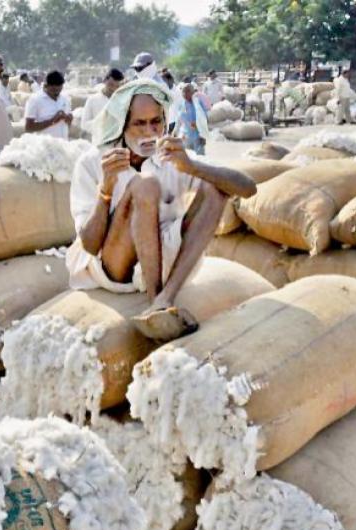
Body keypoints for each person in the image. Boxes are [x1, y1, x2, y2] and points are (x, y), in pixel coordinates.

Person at [65, 80, 255, 341]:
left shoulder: (172, 156)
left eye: (156, 122)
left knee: (215, 187)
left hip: (164, 259)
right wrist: (105, 191)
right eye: (139, 124)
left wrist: (192, 167)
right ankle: (155, 301)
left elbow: (248, 188)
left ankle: (165, 298)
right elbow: (89, 245)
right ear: (122, 125)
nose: (149, 132)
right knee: (146, 185)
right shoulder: (93, 162)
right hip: (114, 266)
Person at [24, 70, 73, 139]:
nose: (56, 92)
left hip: (63, 143)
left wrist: (69, 119)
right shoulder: (35, 100)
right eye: (53, 90)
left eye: (59, 89)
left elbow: (68, 122)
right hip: (45, 144)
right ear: (46, 85)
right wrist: (52, 120)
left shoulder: (65, 98)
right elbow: (28, 128)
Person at [81, 69, 124, 139]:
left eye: (117, 86)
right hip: (99, 141)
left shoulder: (123, 101)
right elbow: (84, 124)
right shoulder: (92, 100)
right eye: (111, 84)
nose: (113, 88)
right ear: (105, 81)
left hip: (117, 141)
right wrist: (100, 123)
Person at [173, 82, 209, 155]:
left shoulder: (198, 104)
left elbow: (204, 120)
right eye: (183, 92)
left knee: (200, 158)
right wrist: (175, 132)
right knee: (186, 157)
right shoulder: (181, 105)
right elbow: (178, 120)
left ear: (193, 92)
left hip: (197, 137)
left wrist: (203, 136)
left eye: (187, 91)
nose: (185, 94)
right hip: (185, 136)